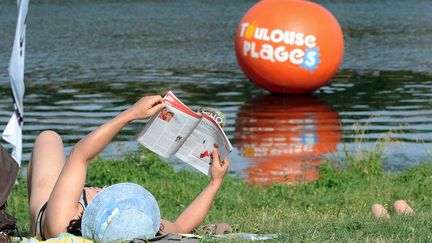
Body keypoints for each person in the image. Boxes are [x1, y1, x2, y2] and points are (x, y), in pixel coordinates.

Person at [27, 95, 230, 241]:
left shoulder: (60, 222)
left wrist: (130, 114)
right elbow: (181, 226)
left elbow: (80, 154)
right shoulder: (137, 227)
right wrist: (215, 183)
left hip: (48, 213)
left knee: (48, 138)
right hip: (82, 209)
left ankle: (30, 231)